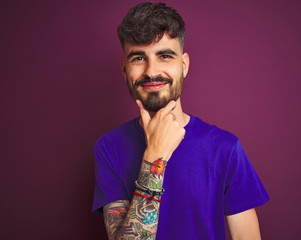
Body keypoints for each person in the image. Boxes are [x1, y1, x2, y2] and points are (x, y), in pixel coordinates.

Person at [92, 2, 269, 239]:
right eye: (138, 58)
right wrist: (154, 157)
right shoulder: (109, 147)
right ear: (125, 69)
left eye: (164, 55)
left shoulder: (225, 148)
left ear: (183, 65)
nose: (151, 71)